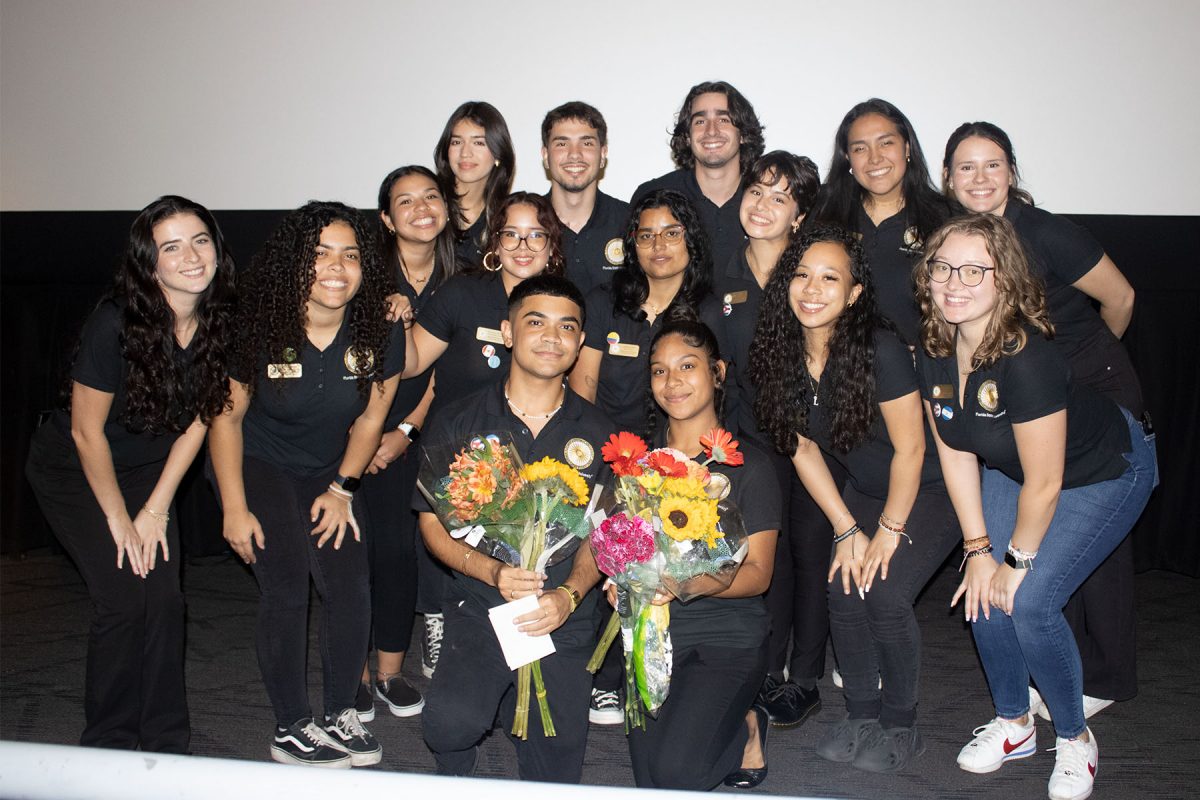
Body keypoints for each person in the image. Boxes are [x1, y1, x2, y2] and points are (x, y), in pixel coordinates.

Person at [913, 214, 1156, 800]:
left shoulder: (1027, 355)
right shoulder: (934, 344)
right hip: (1012, 468)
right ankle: (1015, 724)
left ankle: (1074, 737)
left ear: (1006, 279)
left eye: (976, 270)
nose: (955, 282)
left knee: (1029, 600)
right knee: (984, 594)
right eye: (943, 266)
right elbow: (954, 453)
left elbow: (1047, 482)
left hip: (1101, 470)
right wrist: (976, 551)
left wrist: (1013, 562)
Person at [943, 122, 1143, 719]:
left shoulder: (1048, 232)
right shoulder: (959, 248)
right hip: (1025, 393)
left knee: (1092, 543)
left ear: (1012, 172)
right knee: (1033, 544)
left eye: (993, 165)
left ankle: (1104, 678)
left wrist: (1080, 363)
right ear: (947, 179)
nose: (979, 178)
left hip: (1095, 391)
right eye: (965, 167)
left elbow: (1123, 298)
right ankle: (1042, 673)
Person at [25, 195, 234, 753]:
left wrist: (157, 509)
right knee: (124, 599)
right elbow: (85, 432)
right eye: (171, 247)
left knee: (164, 599)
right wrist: (120, 521)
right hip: (76, 470)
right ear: (150, 263)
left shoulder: (221, 320)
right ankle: (110, 744)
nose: (191, 256)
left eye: (200, 240)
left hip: (149, 472)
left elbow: (199, 422)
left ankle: (166, 742)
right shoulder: (115, 323)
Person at [750, 224, 960, 771]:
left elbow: (912, 450)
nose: (812, 289)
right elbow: (801, 449)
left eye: (830, 278)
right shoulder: (780, 349)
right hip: (866, 489)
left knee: (885, 593)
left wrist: (887, 531)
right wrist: (846, 528)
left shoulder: (879, 348)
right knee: (843, 588)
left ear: (854, 293)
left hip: (931, 488)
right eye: (801, 275)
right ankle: (861, 713)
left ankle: (900, 722)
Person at [208, 201, 405, 768]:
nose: (336, 267)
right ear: (295, 263)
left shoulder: (380, 329)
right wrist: (234, 507)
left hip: (328, 468)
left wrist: (342, 489)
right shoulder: (256, 323)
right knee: (288, 584)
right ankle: (291, 725)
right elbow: (226, 419)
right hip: (258, 463)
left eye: (349, 255)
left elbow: (371, 420)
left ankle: (341, 711)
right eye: (319, 254)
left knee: (350, 583)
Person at [416, 274, 613, 782]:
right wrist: (491, 572)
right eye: (535, 322)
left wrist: (569, 595)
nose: (552, 337)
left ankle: (509, 699)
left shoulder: (602, 435)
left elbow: (604, 536)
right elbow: (433, 528)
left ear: (579, 343)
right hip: (482, 606)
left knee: (556, 766)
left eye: (567, 327)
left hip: (561, 615)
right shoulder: (458, 420)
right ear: (506, 333)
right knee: (448, 726)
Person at [401, 191, 565, 677]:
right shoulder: (462, 293)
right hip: (455, 449)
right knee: (443, 540)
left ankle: (514, 637)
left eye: (536, 235)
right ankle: (437, 619)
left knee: (517, 552)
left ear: (551, 246)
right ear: (494, 241)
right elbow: (414, 363)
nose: (522, 245)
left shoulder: (562, 299)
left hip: (532, 445)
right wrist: (393, 317)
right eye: (511, 233)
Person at [625, 317, 780, 791]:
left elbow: (758, 574)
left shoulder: (749, 466)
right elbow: (616, 546)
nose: (672, 382)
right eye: (659, 370)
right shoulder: (637, 466)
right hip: (653, 637)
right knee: (651, 780)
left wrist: (685, 586)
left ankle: (749, 725)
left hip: (726, 637)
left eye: (687, 366)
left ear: (717, 372)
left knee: (678, 774)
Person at [714, 150, 833, 728]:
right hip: (748, 446)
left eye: (779, 197)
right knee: (769, 558)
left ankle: (806, 676)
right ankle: (768, 667)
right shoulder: (720, 272)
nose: (762, 206)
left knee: (812, 554)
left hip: (814, 441)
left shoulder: (814, 271)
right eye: (756, 192)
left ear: (799, 214)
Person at [353, 165, 459, 722]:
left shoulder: (459, 278)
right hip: (350, 431)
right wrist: (367, 435)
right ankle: (355, 674)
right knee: (353, 556)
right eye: (405, 201)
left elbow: (439, 371)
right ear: (386, 218)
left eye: (431, 197)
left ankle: (390, 674)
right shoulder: (359, 275)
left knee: (397, 555)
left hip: (414, 433)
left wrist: (403, 432)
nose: (421, 209)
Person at [571, 189, 725, 433]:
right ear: (634, 245)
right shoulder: (603, 302)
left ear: (691, 239)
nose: (658, 245)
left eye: (672, 233)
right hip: (605, 449)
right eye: (646, 236)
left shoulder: (708, 312)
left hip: (677, 455)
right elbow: (582, 395)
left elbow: (713, 402)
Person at [809, 98, 956, 345]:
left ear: (907, 148)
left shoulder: (946, 219)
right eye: (859, 148)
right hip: (837, 369)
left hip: (918, 371)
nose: (874, 158)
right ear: (847, 158)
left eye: (886, 143)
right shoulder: (822, 210)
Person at [631, 80, 765, 270]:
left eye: (723, 120)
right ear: (687, 136)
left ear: (743, 134)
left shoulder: (766, 201)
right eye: (700, 121)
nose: (711, 131)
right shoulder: (653, 196)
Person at [541, 101, 630, 295]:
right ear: (546, 156)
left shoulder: (630, 221)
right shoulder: (527, 223)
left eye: (587, 143)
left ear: (603, 154)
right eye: (562, 143)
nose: (575, 154)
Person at [433, 101, 516, 269]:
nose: (465, 153)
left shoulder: (509, 216)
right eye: (456, 142)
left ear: (498, 153)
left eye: (478, 143)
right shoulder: (430, 206)